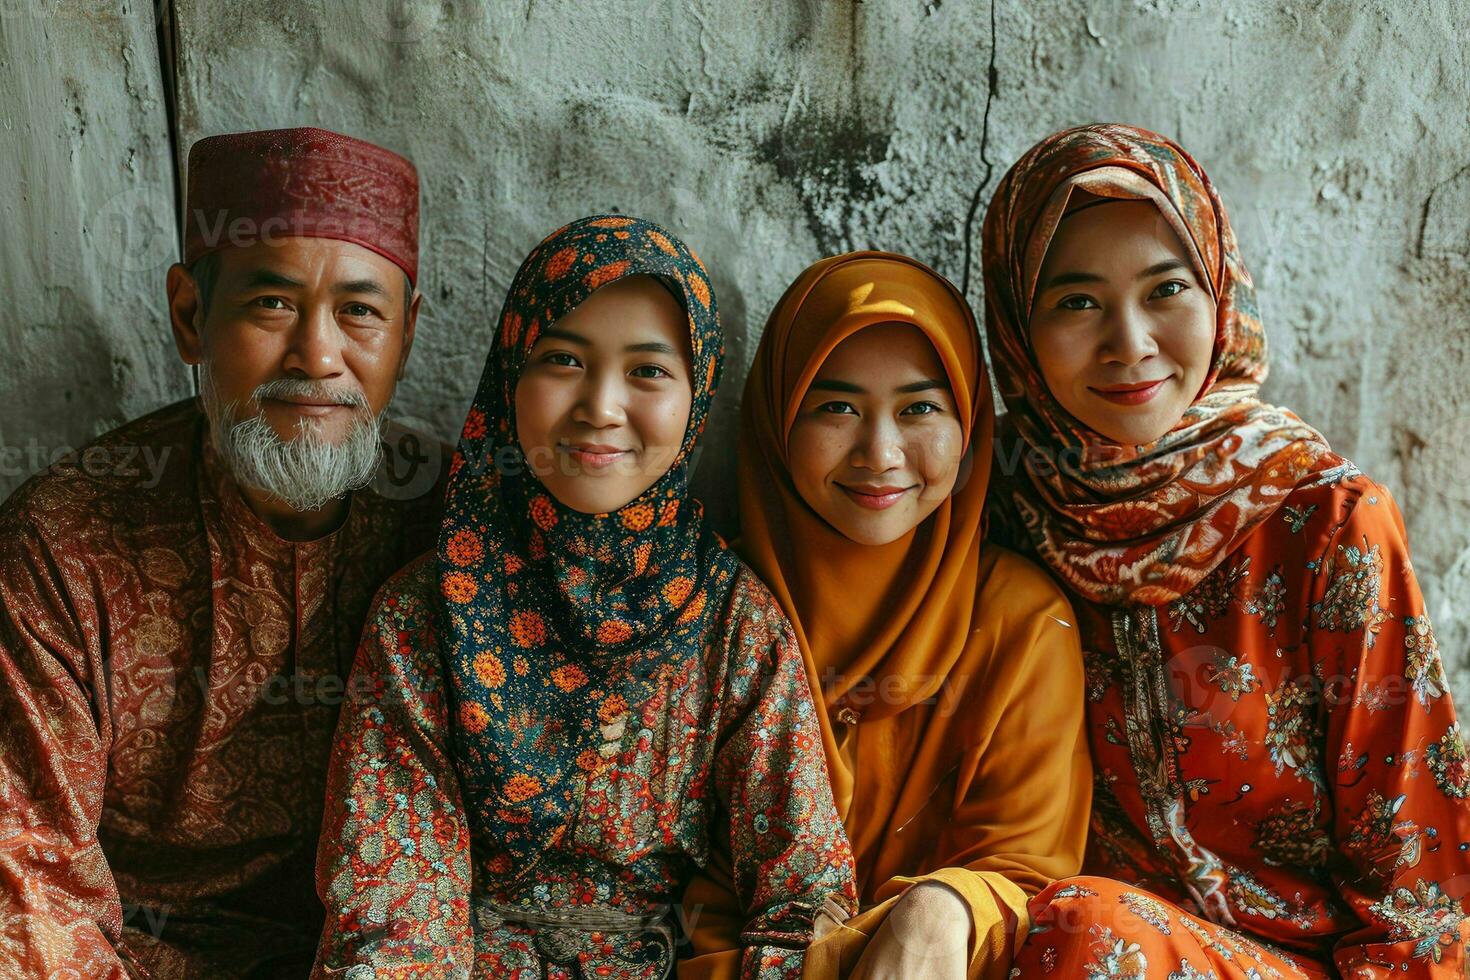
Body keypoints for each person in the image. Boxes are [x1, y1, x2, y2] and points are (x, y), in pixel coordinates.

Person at [312, 215, 856, 980]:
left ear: (698, 397)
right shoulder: (426, 616)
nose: (601, 406)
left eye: (648, 371)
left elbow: (805, 896)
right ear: (510, 376)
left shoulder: (733, 624)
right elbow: (394, 909)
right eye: (562, 359)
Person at [984, 123, 1470, 978]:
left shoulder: (1322, 516)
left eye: (1166, 288)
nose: (1129, 342)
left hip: (1288, 963)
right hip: (1038, 947)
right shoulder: (995, 500)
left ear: (1220, 291)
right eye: (1075, 300)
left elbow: (1414, 872)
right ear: (1018, 325)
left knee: (1085, 931)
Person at [0, 126, 442, 978]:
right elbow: (28, 881)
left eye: (360, 311)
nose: (318, 356)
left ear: (407, 334)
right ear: (191, 315)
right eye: (272, 304)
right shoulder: (59, 550)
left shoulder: (456, 529)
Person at [679, 252, 1091, 980]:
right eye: (835, 407)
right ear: (777, 419)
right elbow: (683, 900)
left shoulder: (1020, 624)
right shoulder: (710, 612)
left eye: (920, 408)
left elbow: (1027, 879)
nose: (880, 452)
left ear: (969, 421)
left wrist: (940, 908)